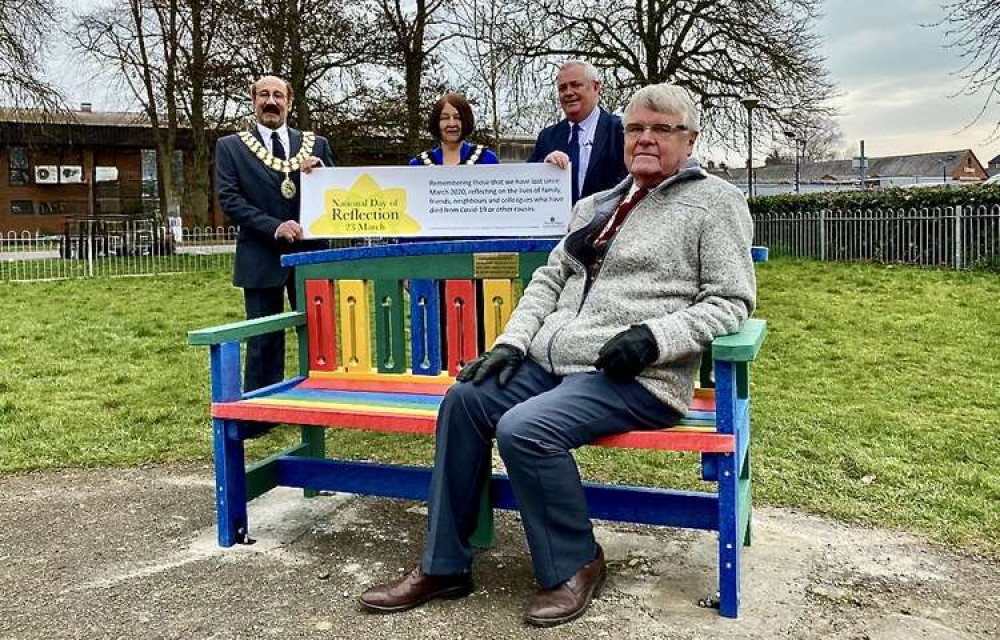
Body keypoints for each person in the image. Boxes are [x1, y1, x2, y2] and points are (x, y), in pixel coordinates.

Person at [360, 83, 757, 627]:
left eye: (661, 129)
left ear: (688, 140)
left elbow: (731, 301)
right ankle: (444, 564)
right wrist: (510, 343)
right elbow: (548, 282)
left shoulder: (714, 203)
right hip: (551, 361)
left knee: (525, 428)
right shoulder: (596, 205)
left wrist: (655, 337)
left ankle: (576, 562)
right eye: (636, 128)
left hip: (636, 374)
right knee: (465, 399)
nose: (645, 138)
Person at [215, 75, 334, 393]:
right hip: (260, 254)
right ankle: (262, 405)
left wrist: (323, 173)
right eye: (264, 95)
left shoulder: (316, 145)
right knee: (263, 337)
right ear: (253, 101)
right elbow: (230, 200)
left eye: (278, 95)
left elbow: (337, 197)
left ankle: (321, 396)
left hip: (311, 255)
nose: (271, 101)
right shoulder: (231, 147)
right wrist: (274, 226)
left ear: (289, 102)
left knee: (319, 333)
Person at [528, 60, 627, 205]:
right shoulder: (547, 136)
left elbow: (630, 183)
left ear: (596, 87)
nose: (568, 93)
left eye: (576, 85)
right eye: (562, 88)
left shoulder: (620, 130)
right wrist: (544, 168)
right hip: (557, 225)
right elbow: (527, 184)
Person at [409, 93, 500, 166]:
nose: (452, 124)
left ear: (466, 121)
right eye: (445, 118)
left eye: (457, 117)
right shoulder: (418, 165)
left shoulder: (487, 159)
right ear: (436, 122)